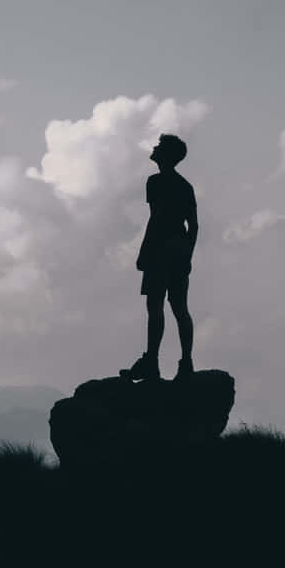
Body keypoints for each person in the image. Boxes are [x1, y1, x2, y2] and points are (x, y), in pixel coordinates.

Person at [123, 133, 197, 382]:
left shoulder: (154, 182)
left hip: (160, 248)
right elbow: (194, 225)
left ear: (165, 154)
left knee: (155, 306)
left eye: (159, 146)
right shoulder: (185, 186)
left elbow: (156, 218)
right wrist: (188, 255)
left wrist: (145, 252)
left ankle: (151, 362)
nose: (154, 147)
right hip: (179, 247)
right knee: (180, 307)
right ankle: (186, 363)